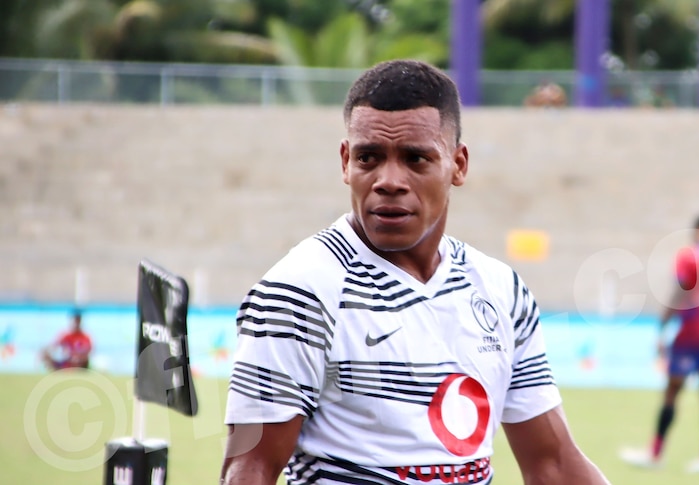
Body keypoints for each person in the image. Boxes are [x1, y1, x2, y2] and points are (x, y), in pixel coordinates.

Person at [220, 59, 610, 485]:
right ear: (346, 161)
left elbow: (552, 463)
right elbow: (250, 468)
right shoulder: (298, 294)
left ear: (458, 165)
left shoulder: (501, 289)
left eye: (415, 159)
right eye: (369, 157)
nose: (389, 180)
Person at [620, 215, 699, 474]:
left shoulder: (689, 257)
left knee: (673, 390)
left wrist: (663, 326)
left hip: (692, 330)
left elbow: (681, 291)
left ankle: (655, 453)